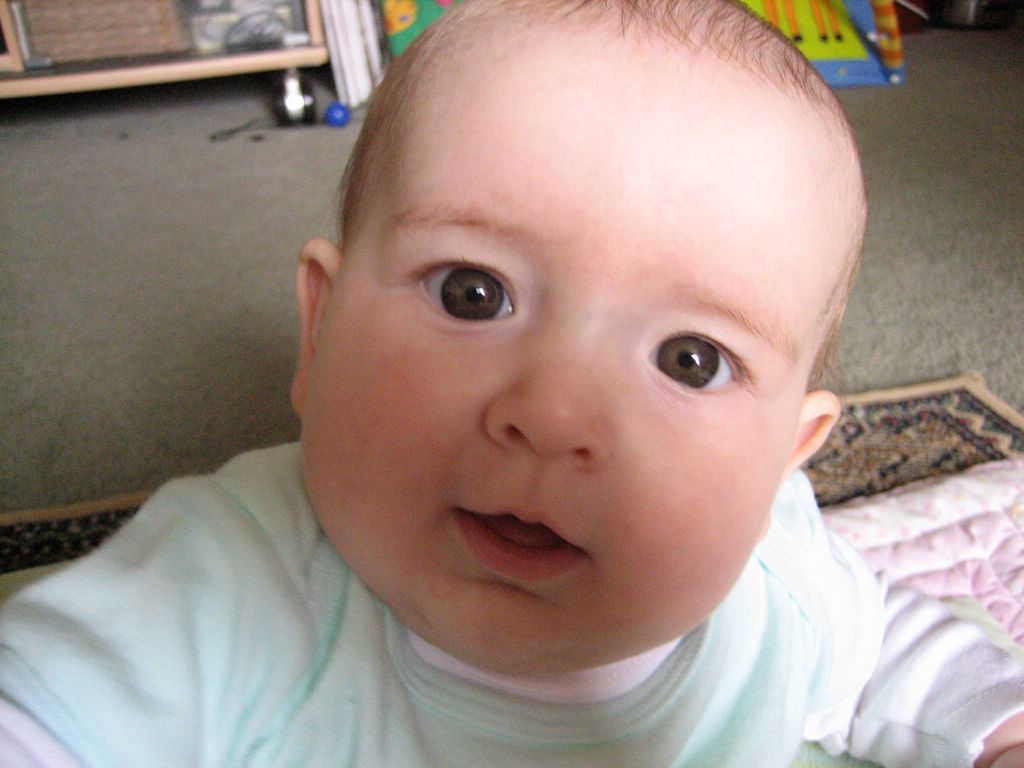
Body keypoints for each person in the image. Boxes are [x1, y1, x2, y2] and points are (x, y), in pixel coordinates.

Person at [2, 1, 1024, 766]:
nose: (551, 413)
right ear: (321, 330)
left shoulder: (775, 582)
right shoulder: (235, 578)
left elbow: (892, 654)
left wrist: (998, 731)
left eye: (691, 359)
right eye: (474, 292)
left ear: (781, 463)